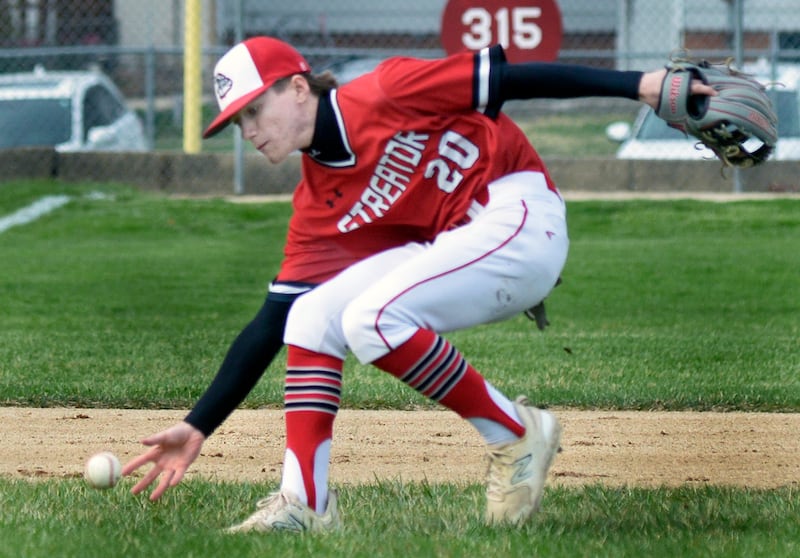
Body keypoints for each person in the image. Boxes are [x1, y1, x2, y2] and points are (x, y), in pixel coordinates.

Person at [123, 36, 715, 531]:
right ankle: (305, 501)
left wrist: (639, 85)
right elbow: (270, 325)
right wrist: (198, 423)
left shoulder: (385, 90)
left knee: (370, 319)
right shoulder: (316, 204)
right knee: (311, 317)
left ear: (298, 88)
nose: (248, 130)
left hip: (517, 208)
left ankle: (515, 433)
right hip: (459, 243)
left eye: (255, 110)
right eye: (238, 120)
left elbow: (510, 80)